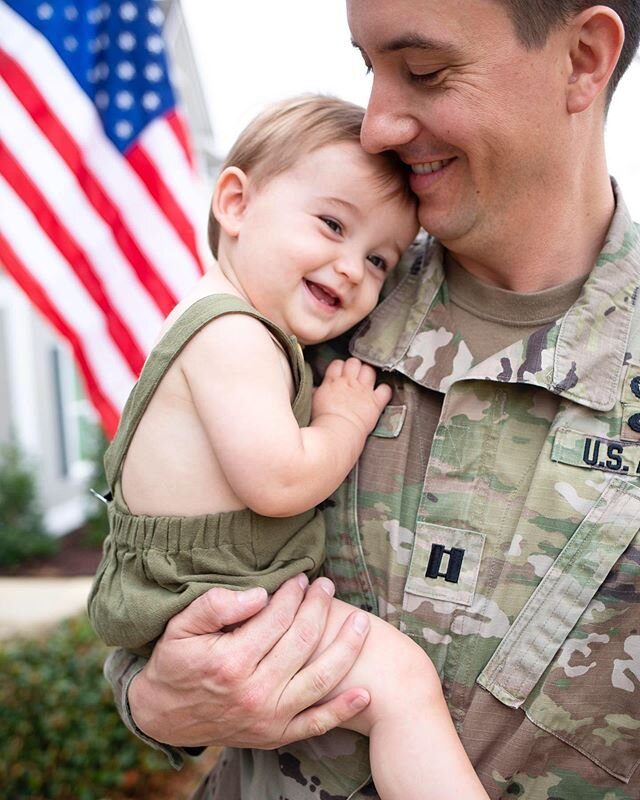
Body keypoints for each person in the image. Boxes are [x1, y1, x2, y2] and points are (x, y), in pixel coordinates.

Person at [103, 1, 640, 798]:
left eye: (423, 70)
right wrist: (160, 700)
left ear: (584, 58)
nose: (379, 124)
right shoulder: (300, 308)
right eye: (369, 67)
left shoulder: (335, 267)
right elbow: (161, 576)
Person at [89, 94, 489, 800]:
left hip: (196, 586)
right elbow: (277, 482)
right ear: (236, 204)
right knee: (403, 683)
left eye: (379, 260)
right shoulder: (235, 334)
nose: (351, 268)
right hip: (216, 590)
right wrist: (339, 423)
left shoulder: (225, 322)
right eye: (331, 224)